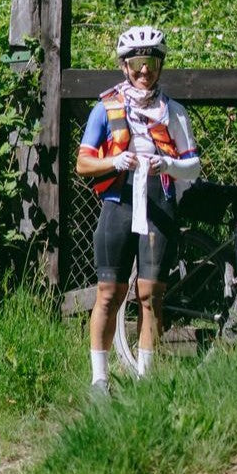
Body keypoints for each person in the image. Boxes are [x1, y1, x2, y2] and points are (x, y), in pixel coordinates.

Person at [75, 26, 202, 396]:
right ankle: (99, 381)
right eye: (136, 64)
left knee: (151, 295)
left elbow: (192, 165)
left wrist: (167, 164)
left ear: (160, 66)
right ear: (124, 66)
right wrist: (115, 161)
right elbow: (83, 164)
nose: (144, 72)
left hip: (159, 202)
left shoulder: (174, 113)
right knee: (108, 293)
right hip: (118, 203)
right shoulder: (107, 108)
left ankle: (146, 381)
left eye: (151, 63)